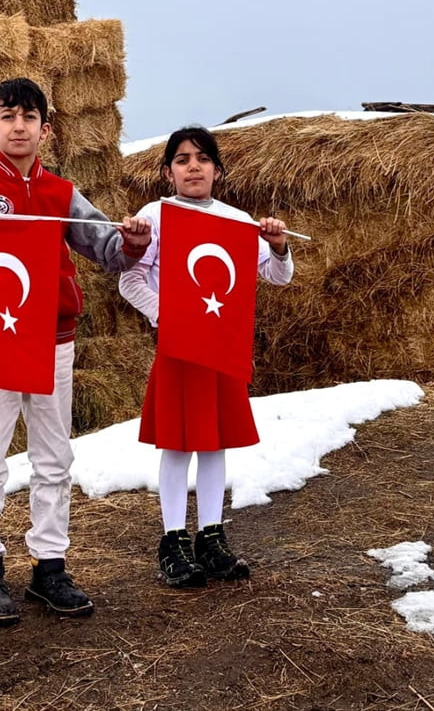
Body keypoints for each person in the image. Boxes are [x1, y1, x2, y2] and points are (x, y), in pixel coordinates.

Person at [0, 77, 152, 626]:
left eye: (29, 117)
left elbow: (104, 245)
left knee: (54, 456)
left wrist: (130, 242)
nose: (19, 126)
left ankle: (50, 564)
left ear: (46, 130)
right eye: (8, 117)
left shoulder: (61, 193)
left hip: (53, 340)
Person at [117, 126, 292, 588]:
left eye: (201, 158)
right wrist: (169, 317)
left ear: (216, 168)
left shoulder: (236, 220)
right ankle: (172, 540)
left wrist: (278, 245)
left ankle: (211, 537)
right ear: (169, 171)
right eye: (181, 159)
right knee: (177, 443)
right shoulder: (156, 215)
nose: (192, 166)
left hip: (221, 348)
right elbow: (130, 280)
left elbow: (276, 276)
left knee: (215, 442)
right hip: (179, 348)